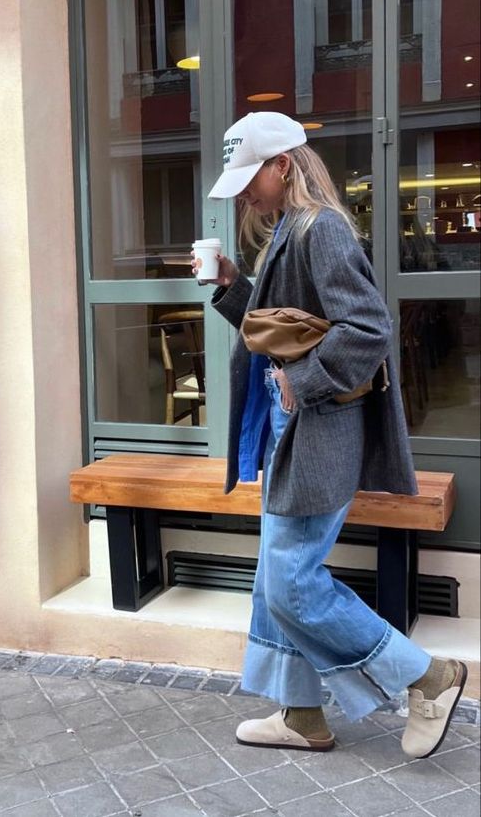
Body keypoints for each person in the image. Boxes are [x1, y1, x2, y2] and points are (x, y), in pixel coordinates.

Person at [192, 111, 467, 759]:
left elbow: (368, 329)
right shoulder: (292, 229)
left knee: (291, 582)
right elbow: (282, 326)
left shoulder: (322, 229)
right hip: (294, 428)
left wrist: (305, 380)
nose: (245, 195)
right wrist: (232, 286)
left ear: (282, 165)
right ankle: (303, 716)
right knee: (277, 576)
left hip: (316, 429)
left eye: (250, 179)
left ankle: (426, 677)